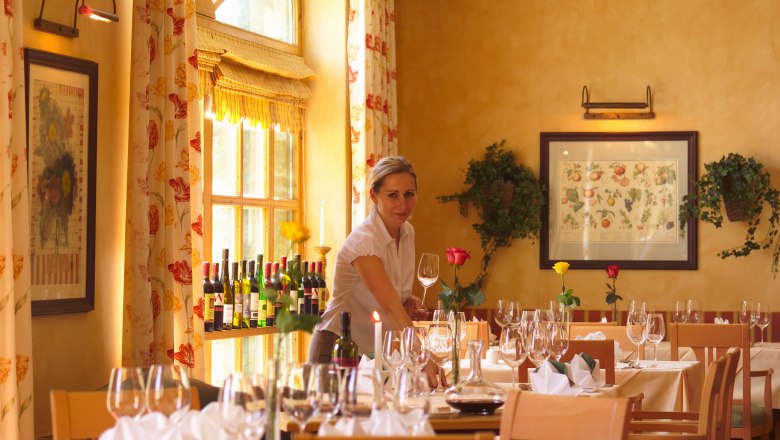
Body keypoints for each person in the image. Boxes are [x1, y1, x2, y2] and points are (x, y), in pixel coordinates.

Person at [309, 156, 438, 384]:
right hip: (338, 348)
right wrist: (423, 356)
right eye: (392, 195)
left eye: (409, 194)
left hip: (374, 354)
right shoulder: (364, 242)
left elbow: (391, 296)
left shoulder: (407, 233)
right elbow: (389, 306)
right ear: (373, 196)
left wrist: (407, 302)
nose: (403, 204)